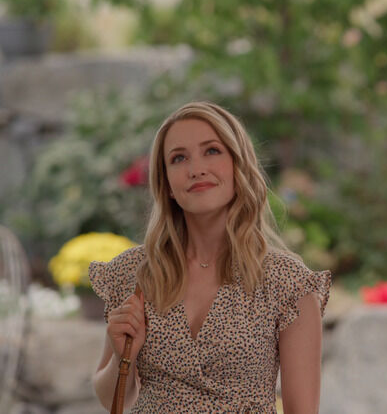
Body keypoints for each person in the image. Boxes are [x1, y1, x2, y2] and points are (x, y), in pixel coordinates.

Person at [89, 101, 330, 413]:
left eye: (212, 151)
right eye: (179, 158)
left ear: (238, 166)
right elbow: (113, 399)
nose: (196, 169)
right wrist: (123, 354)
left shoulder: (288, 282)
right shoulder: (134, 272)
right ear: (168, 184)